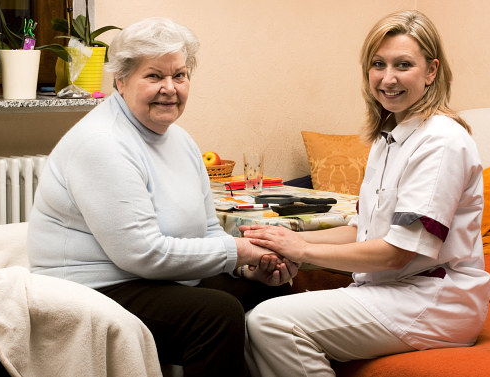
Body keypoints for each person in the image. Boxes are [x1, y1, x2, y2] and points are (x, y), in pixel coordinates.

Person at [27, 17, 299, 377]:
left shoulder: (181, 140)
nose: (170, 88)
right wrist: (240, 251)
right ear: (120, 81)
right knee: (215, 315)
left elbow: (207, 229)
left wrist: (247, 269)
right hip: (93, 288)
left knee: (274, 296)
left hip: (153, 279)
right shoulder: (102, 143)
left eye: (180, 75)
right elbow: (143, 253)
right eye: (154, 76)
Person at [241, 10, 490, 377]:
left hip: (433, 301)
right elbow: (361, 230)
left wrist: (303, 251)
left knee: (269, 323)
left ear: (431, 71)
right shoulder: (387, 138)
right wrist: (286, 239)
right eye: (378, 64)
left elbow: (396, 254)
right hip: (388, 292)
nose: (387, 78)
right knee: (249, 321)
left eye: (403, 64)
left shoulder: (441, 142)